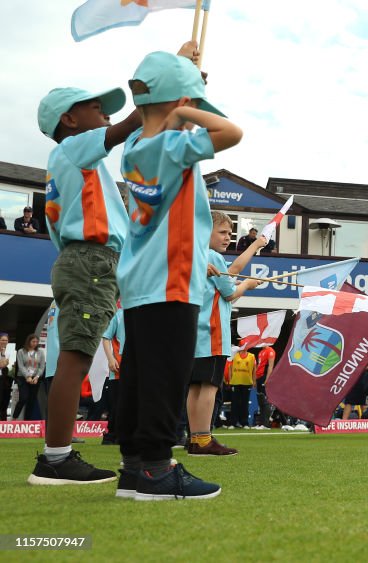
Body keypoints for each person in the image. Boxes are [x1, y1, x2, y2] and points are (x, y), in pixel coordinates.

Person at [115, 46, 241, 500]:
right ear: (178, 103)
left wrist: (183, 77)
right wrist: (195, 99)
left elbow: (162, 115)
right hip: (172, 278)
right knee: (167, 376)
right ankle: (155, 470)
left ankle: (134, 468)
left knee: (140, 375)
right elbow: (232, 131)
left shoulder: (134, 147)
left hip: (141, 279)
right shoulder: (173, 146)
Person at [27, 81, 141, 483]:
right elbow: (129, 124)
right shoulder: (73, 149)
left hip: (91, 260)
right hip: (92, 259)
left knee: (76, 357)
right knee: (75, 360)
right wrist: (168, 91)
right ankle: (55, 459)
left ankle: (57, 455)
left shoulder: (77, 160)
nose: (105, 113)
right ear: (70, 120)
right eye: (96, 107)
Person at [186, 211, 263, 456]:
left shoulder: (195, 257)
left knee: (195, 388)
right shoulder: (212, 258)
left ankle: (196, 437)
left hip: (195, 335)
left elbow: (235, 267)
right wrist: (247, 285)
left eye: (230, 233)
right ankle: (203, 439)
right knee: (209, 387)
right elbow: (230, 293)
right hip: (213, 333)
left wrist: (256, 245)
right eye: (222, 232)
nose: (227, 237)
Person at [100, 306, 125, 445]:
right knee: (117, 404)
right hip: (118, 367)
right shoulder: (118, 314)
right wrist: (110, 358)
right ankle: (111, 434)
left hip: (136, 365)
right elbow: (106, 337)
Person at [13, 334, 44, 421]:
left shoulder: (40, 352)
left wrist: (37, 377)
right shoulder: (21, 351)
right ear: (28, 341)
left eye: (36, 342)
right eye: (33, 341)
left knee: (31, 400)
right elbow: (21, 366)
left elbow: (41, 366)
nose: (35, 343)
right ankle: (14, 418)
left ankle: (27, 421)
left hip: (35, 379)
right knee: (23, 398)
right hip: (22, 377)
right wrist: (27, 376)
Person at [227, 348, 256, 428]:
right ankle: (233, 423)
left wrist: (254, 381)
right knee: (234, 403)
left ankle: (245, 423)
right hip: (235, 382)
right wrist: (230, 380)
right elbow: (230, 368)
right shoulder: (234, 355)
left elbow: (254, 369)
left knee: (245, 403)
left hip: (247, 382)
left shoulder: (252, 356)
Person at [253, 345, 276, 428]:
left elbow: (270, 366)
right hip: (259, 378)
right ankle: (261, 423)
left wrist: (267, 379)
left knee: (265, 402)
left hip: (264, 377)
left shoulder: (270, 351)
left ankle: (266, 424)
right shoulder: (260, 352)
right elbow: (258, 366)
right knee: (260, 401)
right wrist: (255, 379)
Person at [0, 333, 12, 421]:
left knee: (1, 399)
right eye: (2, 340)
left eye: (6, 340)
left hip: (0, 377)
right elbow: (2, 363)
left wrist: (3, 353)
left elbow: (3, 365)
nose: (4, 342)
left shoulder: (7, 352)